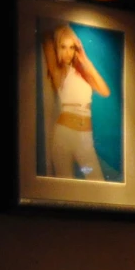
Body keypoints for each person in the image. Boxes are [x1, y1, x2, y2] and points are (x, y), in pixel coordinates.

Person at [40, 24, 111, 181]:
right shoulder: (60, 72)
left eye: (71, 47)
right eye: (63, 47)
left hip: (86, 139)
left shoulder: (82, 73)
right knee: (65, 184)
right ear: (58, 48)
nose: (67, 52)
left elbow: (105, 91)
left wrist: (85, 60)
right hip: (64, 136)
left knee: (96, 181)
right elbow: (46, 36)